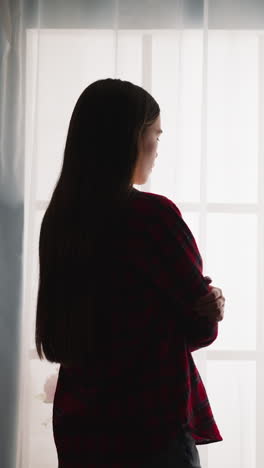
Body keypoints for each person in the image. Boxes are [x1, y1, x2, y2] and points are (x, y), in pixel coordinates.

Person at [35, 78, 225, 467]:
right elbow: (199, 327)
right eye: (155, 134)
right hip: (149, 423)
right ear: (129, 139)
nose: (157, 148)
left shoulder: (61, 221)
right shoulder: (154, 217)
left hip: (81, 423)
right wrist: (212, 307)